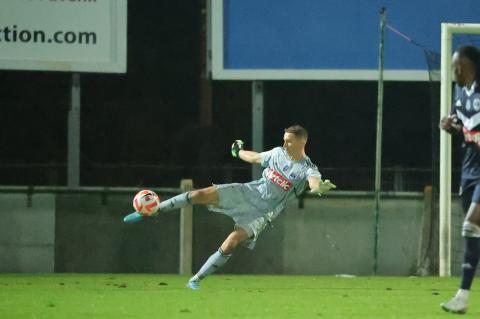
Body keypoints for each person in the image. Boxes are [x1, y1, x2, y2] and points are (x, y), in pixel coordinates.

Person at [123, 125, 336, 290]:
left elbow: (314, 183)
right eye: (284, 140)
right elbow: (254, 157)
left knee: (232, 241)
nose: (286, 144)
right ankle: (153, 210)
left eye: (289, 141)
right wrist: (239, 151)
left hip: (262, 212)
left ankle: (195, 280)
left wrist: (320, 188)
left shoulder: (308, 168)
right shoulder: (278, 153)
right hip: (247, 192)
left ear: (302, 141)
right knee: (199, 194)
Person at [440, 45, 480, 314]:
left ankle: (462, 297)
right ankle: (463, 297)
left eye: (457, 66)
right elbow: (466, 130)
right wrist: (450, 127)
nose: (453, 70)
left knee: (470, 225)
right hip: (468, 170)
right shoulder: (459, 94)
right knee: (473, 233)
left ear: (467, 66)